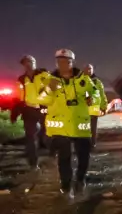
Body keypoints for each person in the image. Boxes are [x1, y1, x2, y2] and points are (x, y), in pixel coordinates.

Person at [37, 49, 99, 196]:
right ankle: (65, 183)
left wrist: (93, 99)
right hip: (60, 126)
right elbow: (41, 100)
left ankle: (80, 179)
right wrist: (49, 89)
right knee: (63, 158)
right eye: (60, 61)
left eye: (67, 61)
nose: (64, 64)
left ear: (72, 62)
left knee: (84, 155)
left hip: (80, 124)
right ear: (56, 62)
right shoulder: (50, 80)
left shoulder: (82, 79)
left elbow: (95, 92)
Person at [13, 55, 49, 170]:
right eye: (25, 63)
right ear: (23, 65)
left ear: (35, 62)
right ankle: (33, 163)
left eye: (30, 62)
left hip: (44, 109)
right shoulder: (21, 79)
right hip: (28, 109)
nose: (28, 65)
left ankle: (51, 150)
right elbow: (18, 97)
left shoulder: (44, 75)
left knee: (47, 133)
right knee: (30, 136)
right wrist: (15, 111)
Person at [83, 64, 108, 148]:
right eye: (87, 69)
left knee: (93, 127)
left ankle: (93, 143)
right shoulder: (80, 81)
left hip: (93, 108)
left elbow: (102, 94)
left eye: (90, 69)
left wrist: (104, 106)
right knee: (83, 127)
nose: (89, 70)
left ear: (93, 70)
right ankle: (84, 143)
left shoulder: (97, 82)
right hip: (82, 108)